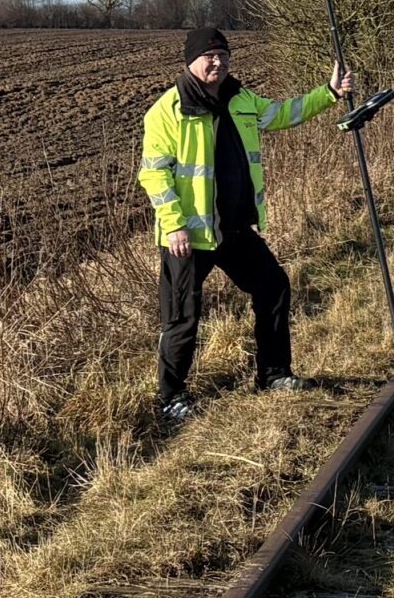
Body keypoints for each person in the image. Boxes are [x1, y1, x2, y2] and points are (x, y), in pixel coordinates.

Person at [137, 26, 352, 423]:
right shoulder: (168, 111)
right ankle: (171, 398)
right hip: (189, 236)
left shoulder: (240, 99)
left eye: (223, 54)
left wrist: (330, 92)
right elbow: (154, 175)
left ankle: (273, 375)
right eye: (209, 56)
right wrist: (174, 226)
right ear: (190, 61)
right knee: (182, 317)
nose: (217, 62)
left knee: (273, 287)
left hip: (234, 231)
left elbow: (283, 113)